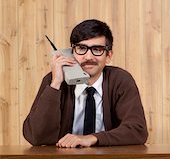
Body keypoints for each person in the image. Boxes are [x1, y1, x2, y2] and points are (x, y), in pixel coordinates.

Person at [23, 19, 148, 147]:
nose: (88, 57)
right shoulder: (54, 80)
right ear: (71, 53)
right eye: (81, 48)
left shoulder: (121, 80)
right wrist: (55, 85)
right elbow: (35, 136)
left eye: (97, 49)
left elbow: (137, 131)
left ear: (108, 56)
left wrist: (92, 138)